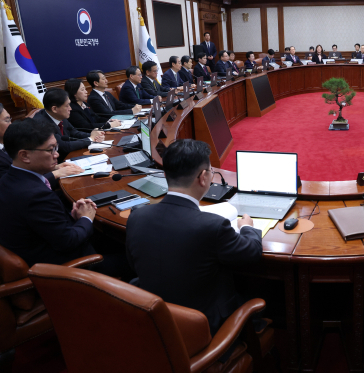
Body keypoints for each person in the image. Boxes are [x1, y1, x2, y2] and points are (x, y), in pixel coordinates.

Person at [126, 139, 263, 335]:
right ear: (203, 177)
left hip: (153, 323)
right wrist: (247, 227)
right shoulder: (212, 225)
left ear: (166, 175)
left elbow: (134, 265)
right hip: (202, 328)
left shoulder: (137, 216)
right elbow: (252, 253)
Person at [0, 119, 131, 279]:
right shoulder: (35, 195)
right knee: (141, 257)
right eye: (51, 150)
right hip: (67, 268)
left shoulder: (8, 180)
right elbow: (68, 242)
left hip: (46, 246)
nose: (57, 154)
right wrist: (85, 218)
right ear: (24, 155)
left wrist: (73, 217)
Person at [0, 104, 82, 181]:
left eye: (10, 119)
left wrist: (55, 167)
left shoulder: (10, 142)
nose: (11, 124)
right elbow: (15, 185)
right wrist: (55, 174)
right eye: (7, 120)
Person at [34, 88, 104, 161]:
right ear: (54, 109)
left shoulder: (59, 115)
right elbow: (63, 146)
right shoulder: (41, 124)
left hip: (69, 157)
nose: (70, 108)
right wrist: (90, 139)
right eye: (67, 106)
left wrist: (94, 136)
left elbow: (74, 132)